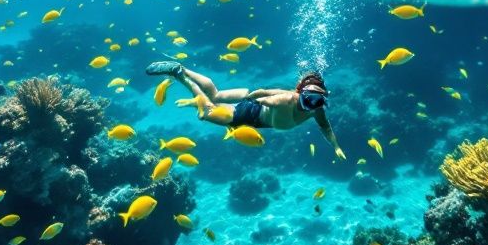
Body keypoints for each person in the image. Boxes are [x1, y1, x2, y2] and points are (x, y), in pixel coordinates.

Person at [145, 61, 346, 159]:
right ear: (300, 93)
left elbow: (325, 127)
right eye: (308, 100)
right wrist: (251, 98)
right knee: (206, 112)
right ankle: (179, 75)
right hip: (247, 114)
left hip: (251, 102)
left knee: (215, 94)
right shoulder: (286, 100)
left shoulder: (316, 109)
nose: (312, 105)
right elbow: (266, 97)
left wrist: (336, 146)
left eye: (318, 101)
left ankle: (182, 69)